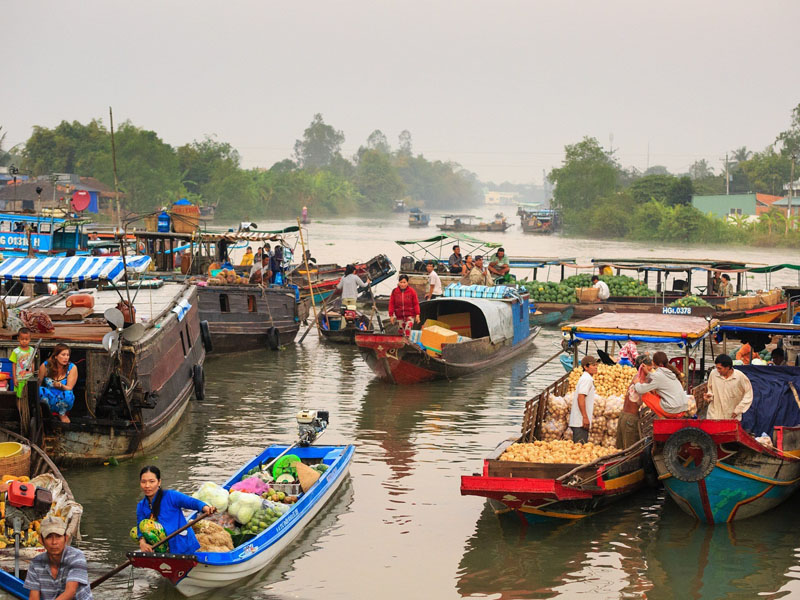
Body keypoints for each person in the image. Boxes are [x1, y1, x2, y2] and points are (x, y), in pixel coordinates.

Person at [136, 465, 215, 555]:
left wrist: (206, 508)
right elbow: (139, 529)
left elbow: (191, 502)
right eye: (143, 482)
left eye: (151, 481)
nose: (147, 486)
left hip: (181, 544)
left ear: (159, 482)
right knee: (137, 530)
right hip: (162, 547)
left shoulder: (171, 496)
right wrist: (142, 543)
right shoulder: (141, 506)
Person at [23, 516, 92, 600]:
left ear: (66, 538)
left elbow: (70, 592)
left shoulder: (76, 557)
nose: (54, 542)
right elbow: (34, 597)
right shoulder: (36, 563)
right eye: (49, 537)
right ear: (41, 540)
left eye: (58, 536)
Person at [634, 351, 688, 418]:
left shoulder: (658, 375)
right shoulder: (669, 372)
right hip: (683, 408)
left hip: (673, 410)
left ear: (653, 362)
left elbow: (640, 390)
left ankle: (663, 417)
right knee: (656, 393)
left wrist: (636, 383)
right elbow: (657, 378)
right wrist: (647, 373)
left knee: (644, 396)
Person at [616, 355, 651, 449]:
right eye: (650, 366)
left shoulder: (636, 377)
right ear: (643, 366)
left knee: (622, 449)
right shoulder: (643, 380)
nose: (651, 368)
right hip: (630, 419)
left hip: (623, 416)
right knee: (631, 450)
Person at [704, 354, 753, 420]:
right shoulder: (713, 374)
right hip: (714, 414)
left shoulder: (739, 377)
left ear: (727, 367)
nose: (718, 370)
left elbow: (748, 394)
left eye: (720, 368)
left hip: (732, 415)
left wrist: (738, 409)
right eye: (717, 368)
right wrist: (709, 396)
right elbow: (710, 390)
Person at [38, 344, 77, 424]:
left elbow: (69, 387)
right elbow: (38, 383)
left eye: (68, 355)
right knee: (39, 390)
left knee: (68, 394)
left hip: (63, 401)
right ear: (55, 356)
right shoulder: (45, 366)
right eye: (63, 355)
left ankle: (62, 414)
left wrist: (61, 386)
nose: (66, 357)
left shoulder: (72, 367)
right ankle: (45, 413)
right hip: (49, 399)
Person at [569, 356, 598, 443]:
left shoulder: (587, 378)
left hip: (580, 421)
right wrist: (585, 417)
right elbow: (581, 397)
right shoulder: (586, 379)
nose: (596, 367)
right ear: (586, 367)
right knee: (579, 448)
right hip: (580, 422)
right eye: (593, 365)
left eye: (596, 364)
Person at [11, 327, 34, 398]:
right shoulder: (16, 351)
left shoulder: (32, 350)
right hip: (19, 379)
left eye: (26, 339)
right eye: (22, 339)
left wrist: (33, 372)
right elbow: (14, 365)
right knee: (19, 397)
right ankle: (19, 409)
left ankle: (27, 409)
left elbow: (32, 362)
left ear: (30, 339)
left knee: (29, 397)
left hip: (29, 378)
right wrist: (14, 378)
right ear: (18, 339)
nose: (24, 341)